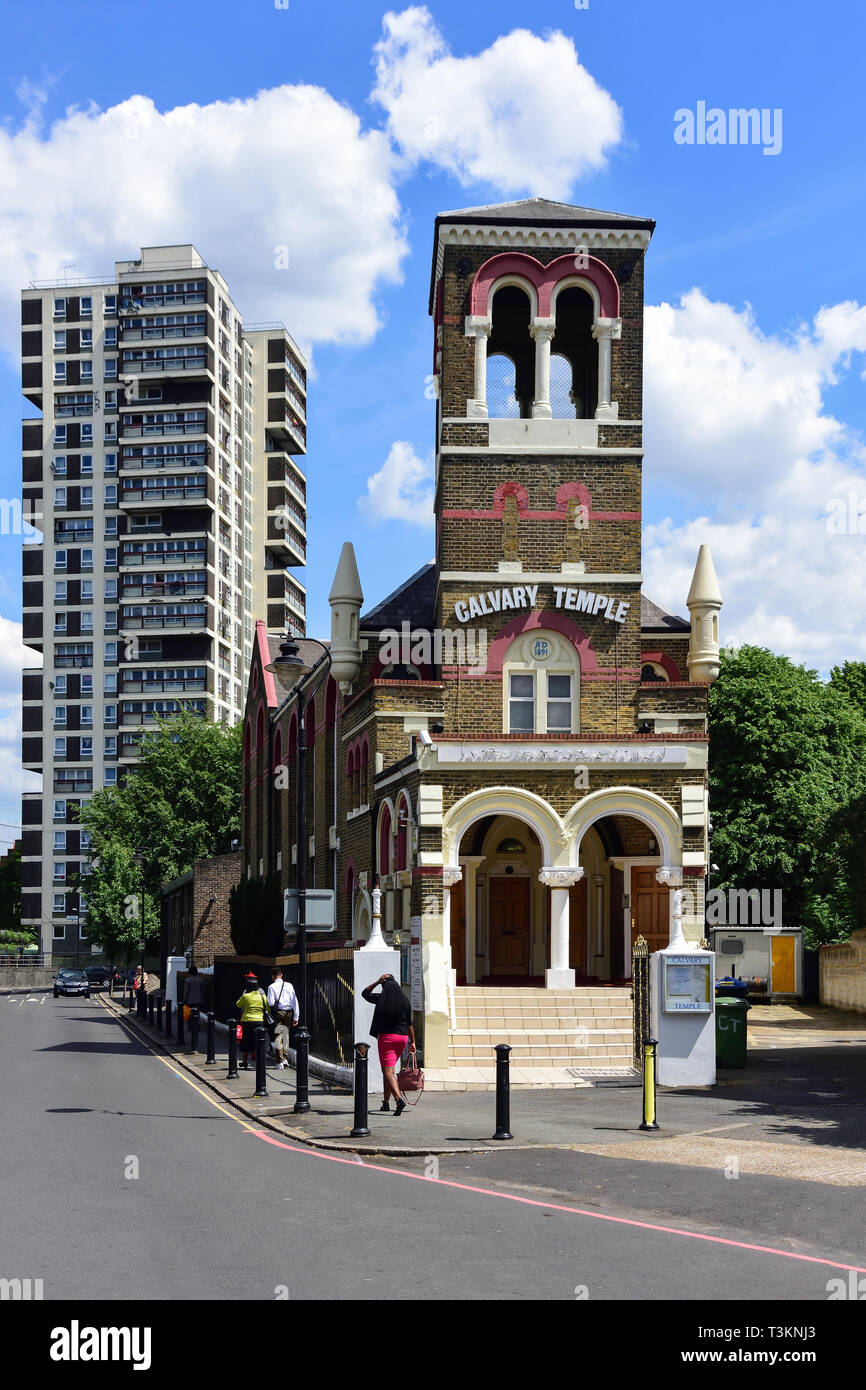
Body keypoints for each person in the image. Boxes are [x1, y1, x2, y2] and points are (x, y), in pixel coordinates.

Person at [361, 973, 416, 1116]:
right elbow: (410, 1024)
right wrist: (413, 1042)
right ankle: (385, 1103)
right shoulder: (405, 1001)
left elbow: (365, 994)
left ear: (384, 987)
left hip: (387, 1039)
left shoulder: (381, 999)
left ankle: (398, 1100)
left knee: (388, 1072)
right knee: (387, 1070)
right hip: (402, 1039)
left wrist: (377, 981)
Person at [235, 972, 269, 1070]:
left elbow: (238, 1004)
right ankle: (260, 1062)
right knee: (259, 1042)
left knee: (246, 1042)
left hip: (247, 1021)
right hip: (259, 1021)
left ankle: (244, 1062)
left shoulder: (246, 996)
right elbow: (267, 1007)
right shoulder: (262, 996)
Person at [267, 968, 299, 1070]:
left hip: (279, 1012)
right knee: (286, 1035)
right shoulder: (289, 985)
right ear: (281, 975)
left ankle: (279, 1061)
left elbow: (271, 1003)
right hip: (289, 1012)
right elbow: (294, 1000)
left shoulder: (271, 987)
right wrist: (296, 1016)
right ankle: (285, 1058)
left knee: (279, 1036)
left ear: (272, 976)